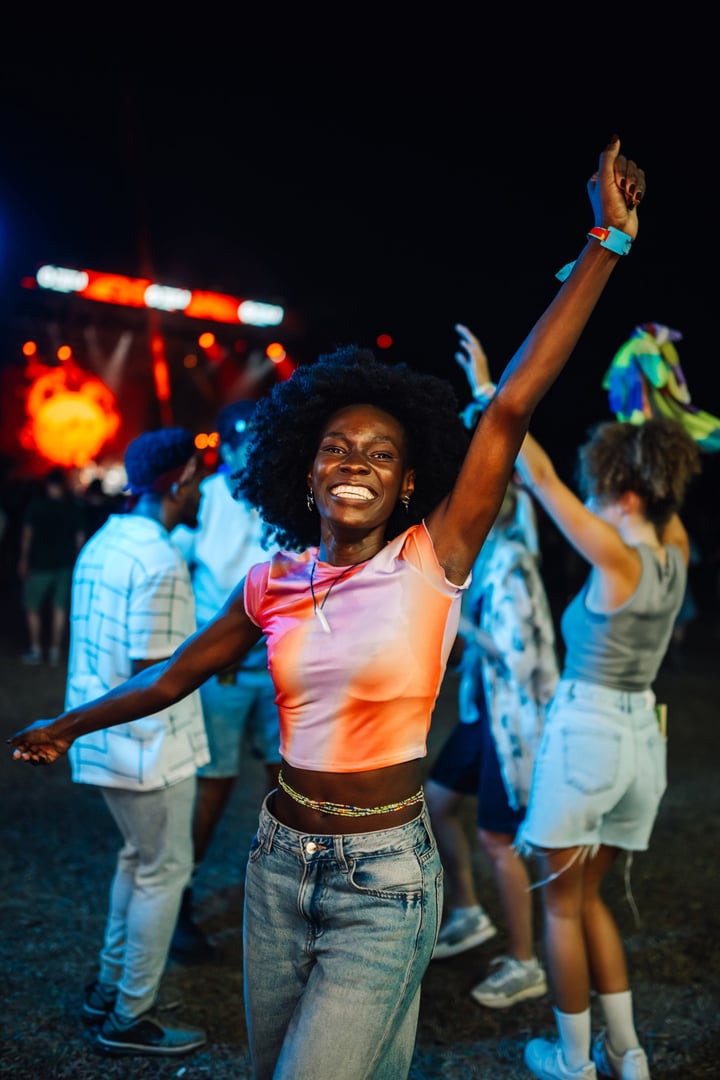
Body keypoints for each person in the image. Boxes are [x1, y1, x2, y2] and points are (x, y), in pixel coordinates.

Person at [9, 135, 646, 1080]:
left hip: (385, 881)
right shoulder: (270, 580)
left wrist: (606, 240)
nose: (357, 461)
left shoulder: (434, 557)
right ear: (304, 470)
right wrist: (67, 723)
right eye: (339, 448)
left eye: (383, 456)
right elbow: (178, 673)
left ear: (407, 484)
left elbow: (510, 408)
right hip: (275, 866)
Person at [504, 416, 700, 1079]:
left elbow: (541, 478)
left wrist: (490, 395)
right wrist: (648, 404)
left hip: (589, 735)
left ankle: (572, 1059)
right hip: (644, 740)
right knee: (590, 899)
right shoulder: (677, 550)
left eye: (600, 487)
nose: (588, 498)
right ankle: (627, 1051)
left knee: (560, 905)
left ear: (629, 494)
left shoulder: (616, 558)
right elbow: (658, 482)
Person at [59, 429, 211, 1056]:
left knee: (136, 860)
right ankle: (129, 1015)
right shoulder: (161, 559)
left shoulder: (105, 541)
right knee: (163, 872)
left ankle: (108, 987)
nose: (202, 487)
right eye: (197, 476)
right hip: (151, 749)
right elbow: (157, 675)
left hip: (105, 741)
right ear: (178, 480)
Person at [427, 325, 559, 1010]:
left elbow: (515, 657)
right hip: (484, 712)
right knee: (439, 802)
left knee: (496, 835)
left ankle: (526, 959)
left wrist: (455, 623)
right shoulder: (490, 552)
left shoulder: (511, 562)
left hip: (517, 723)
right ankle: (470, 914)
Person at [169, 399, 282, 961]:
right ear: (228, 447)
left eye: (259, 441)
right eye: (243, 443)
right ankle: (178, 898)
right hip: (222, 671)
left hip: (279, 665)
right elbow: (176, 574)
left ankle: (285, 894)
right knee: (212, 783)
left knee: (287, 782)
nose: (251, 452)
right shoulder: (206, 499)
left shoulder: (283, 491)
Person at [18, 467, 86, 666]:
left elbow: (27, 536)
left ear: (48, 485)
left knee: (32, 607)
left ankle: (36, 648)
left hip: (39, 565)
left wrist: (23, 559)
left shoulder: (36, 506)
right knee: (60, 608)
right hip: (65, 565)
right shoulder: (73, 508)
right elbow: (79, 540)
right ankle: (55, 650)